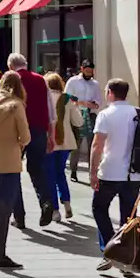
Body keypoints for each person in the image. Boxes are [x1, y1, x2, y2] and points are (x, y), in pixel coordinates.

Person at [89, 78, 140, 269]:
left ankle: (109, 248)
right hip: (134, 173)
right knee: (127, 218)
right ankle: (126, 258)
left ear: (111, 92)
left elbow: (97, 146)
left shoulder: (106, 114)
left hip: (110, 171)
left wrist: (92, 172)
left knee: (99, 208)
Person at [0, 71, 31, 269]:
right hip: (10, 160)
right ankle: (0, 255)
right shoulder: (16, 105)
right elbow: (25, 136)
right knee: (5, 209)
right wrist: (19, 144)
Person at [9, 53, 54, 227]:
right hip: (39, 129)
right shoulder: (41, 80)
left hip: (17, 131)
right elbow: (50, 110)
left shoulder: (12, 79)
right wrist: (51, 134)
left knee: (13, 171)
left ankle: (19, 216)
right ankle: (46, 202)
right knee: (37, 169)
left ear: (11, 66)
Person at [46, 72, 82, 220]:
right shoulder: (67, 99)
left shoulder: (44, 99)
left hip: (49, 142)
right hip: (65, 142)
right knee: (60, 173)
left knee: (50, 175)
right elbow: (78, 122)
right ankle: (66, 203)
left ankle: (55, 210)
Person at [66, 60, 102, 181]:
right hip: (77, 113)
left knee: (92, 142)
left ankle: (92, 171)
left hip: (91, 114)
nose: (89, 73)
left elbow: (98, 100)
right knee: (77, 142)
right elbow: (67, 97)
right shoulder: (73, 81)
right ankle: (73, 170)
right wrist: (80, 102)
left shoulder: (95, 84)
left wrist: (93, 105)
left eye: (91, 71)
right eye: (87, 71)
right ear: (82, 69)